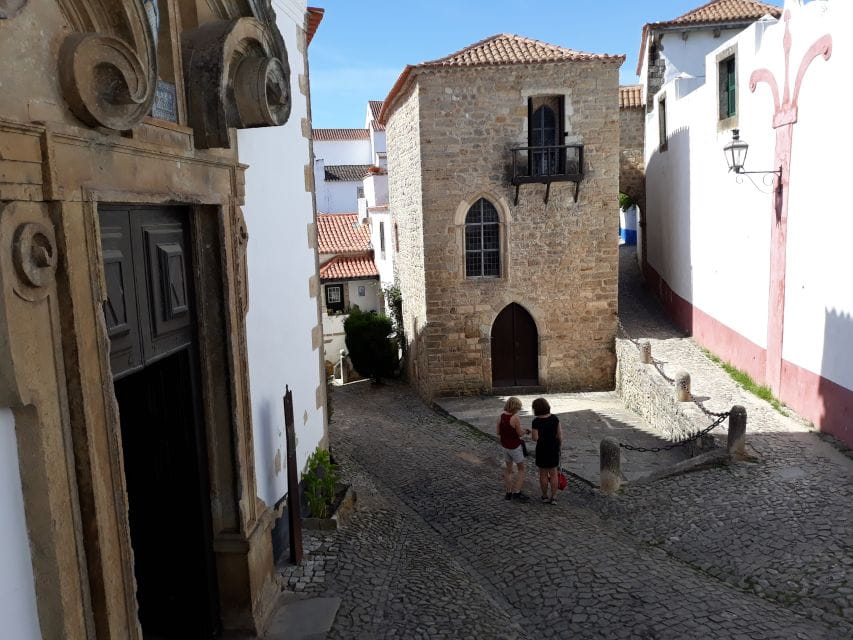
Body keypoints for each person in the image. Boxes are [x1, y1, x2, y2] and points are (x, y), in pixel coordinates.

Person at [497, 397, 531, 502]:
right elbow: (520, 433)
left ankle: (508, 493)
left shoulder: (501, 416)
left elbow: (498, 432)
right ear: (515, 407)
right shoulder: (515, 418)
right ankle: (517, 492)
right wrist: (526, 431)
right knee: (521, 469)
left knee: (509, 470)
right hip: (514, 447)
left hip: (505, 446)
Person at [531, 397, 562, 504]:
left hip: (542, 449)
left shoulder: (536, 422)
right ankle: (554, 497)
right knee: (554, 473)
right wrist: (559, 446)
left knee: (543, 474)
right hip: (553, 447)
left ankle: (544, 496)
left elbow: (535, 438)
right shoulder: (554, 418)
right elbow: (559, 435)